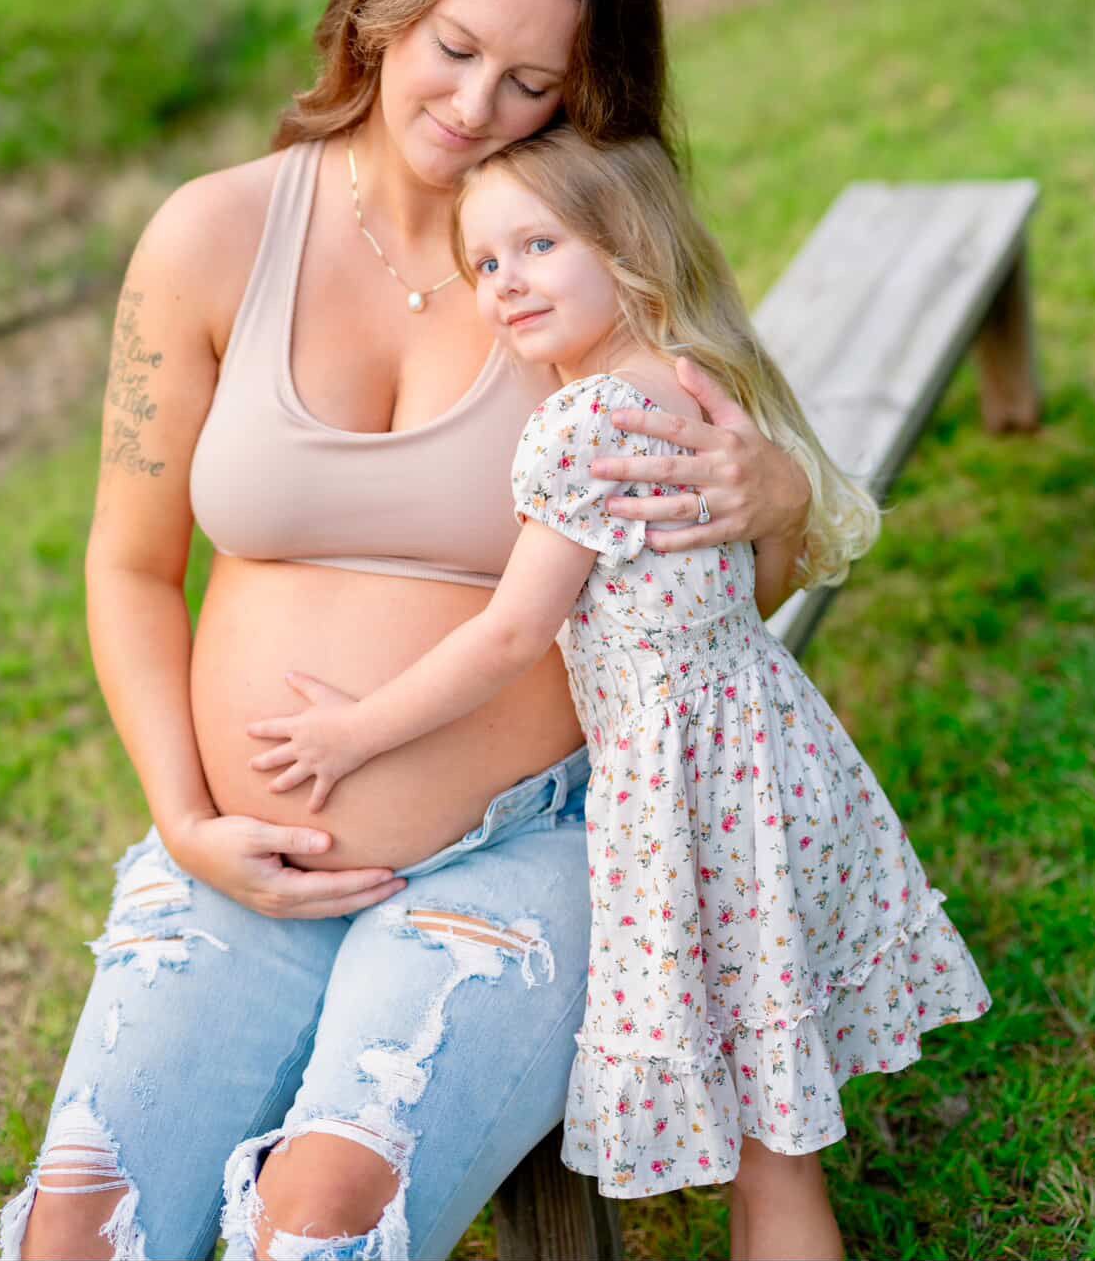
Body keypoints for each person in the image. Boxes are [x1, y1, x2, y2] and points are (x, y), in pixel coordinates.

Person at [0, 0, 814, 1261]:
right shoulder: (209, 237)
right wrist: (187, 820)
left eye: (531, 82)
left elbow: (729, 588)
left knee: (319, 1225)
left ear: (585, 91)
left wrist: (772, 500)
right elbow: (127, 566)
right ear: (385, 6)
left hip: (528, 843)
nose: (473, 105)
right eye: (453, 48)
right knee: (79, 1232)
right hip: (241, 851)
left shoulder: (586, 265)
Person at [247, 126, 993, 1261]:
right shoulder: (694, 381)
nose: (505, 282)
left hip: (689, 801)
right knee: (776, 1136)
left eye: (537, 245)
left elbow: (509, 635)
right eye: (484, 261)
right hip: (774, 759)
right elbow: (754, 584)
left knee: (768, 1146)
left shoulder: (582, 423)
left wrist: (354, 731)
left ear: (626, 242)